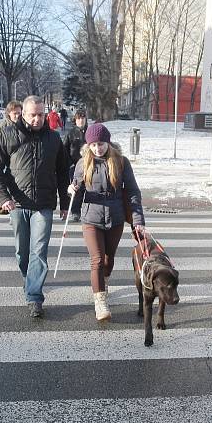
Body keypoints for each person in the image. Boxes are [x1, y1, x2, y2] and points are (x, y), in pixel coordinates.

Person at [0, 95, 70, 318]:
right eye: (32, 115)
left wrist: (64, 202)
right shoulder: (8, 134)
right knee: (22, 252)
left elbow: (63, 173)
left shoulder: (54, 139)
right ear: (23, 114)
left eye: (41, 115)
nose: (37, 119)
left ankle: (34, 296)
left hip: (43, 205)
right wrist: (3, 197)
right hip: (17, 203)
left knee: (39, 251)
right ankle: (29, 280)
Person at [69, 123, 146, 321]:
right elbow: (76, 197)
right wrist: (73, 191)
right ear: (88, 145)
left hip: (116, 218)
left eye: (101, 144)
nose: (97, 148)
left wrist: (137, 220)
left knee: (108, 259)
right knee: (96, 260)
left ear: (108, 142)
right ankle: (100, 301)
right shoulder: (82, 163)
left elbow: (133, 192)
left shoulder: (121, 162)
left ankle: (102, 282)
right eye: (93, 145)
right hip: (91, 218)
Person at [62, 109, 89, 222]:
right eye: (79, 119)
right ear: (75, 120)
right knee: (76, 189)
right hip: (75, 165)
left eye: (83, 118)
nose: (81, 121)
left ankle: (89, 211)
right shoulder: (71, 133)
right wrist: (69, 164)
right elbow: (64, 149)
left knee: (89, 189)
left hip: (89, 165)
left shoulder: (90, 131)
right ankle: (75, 211)